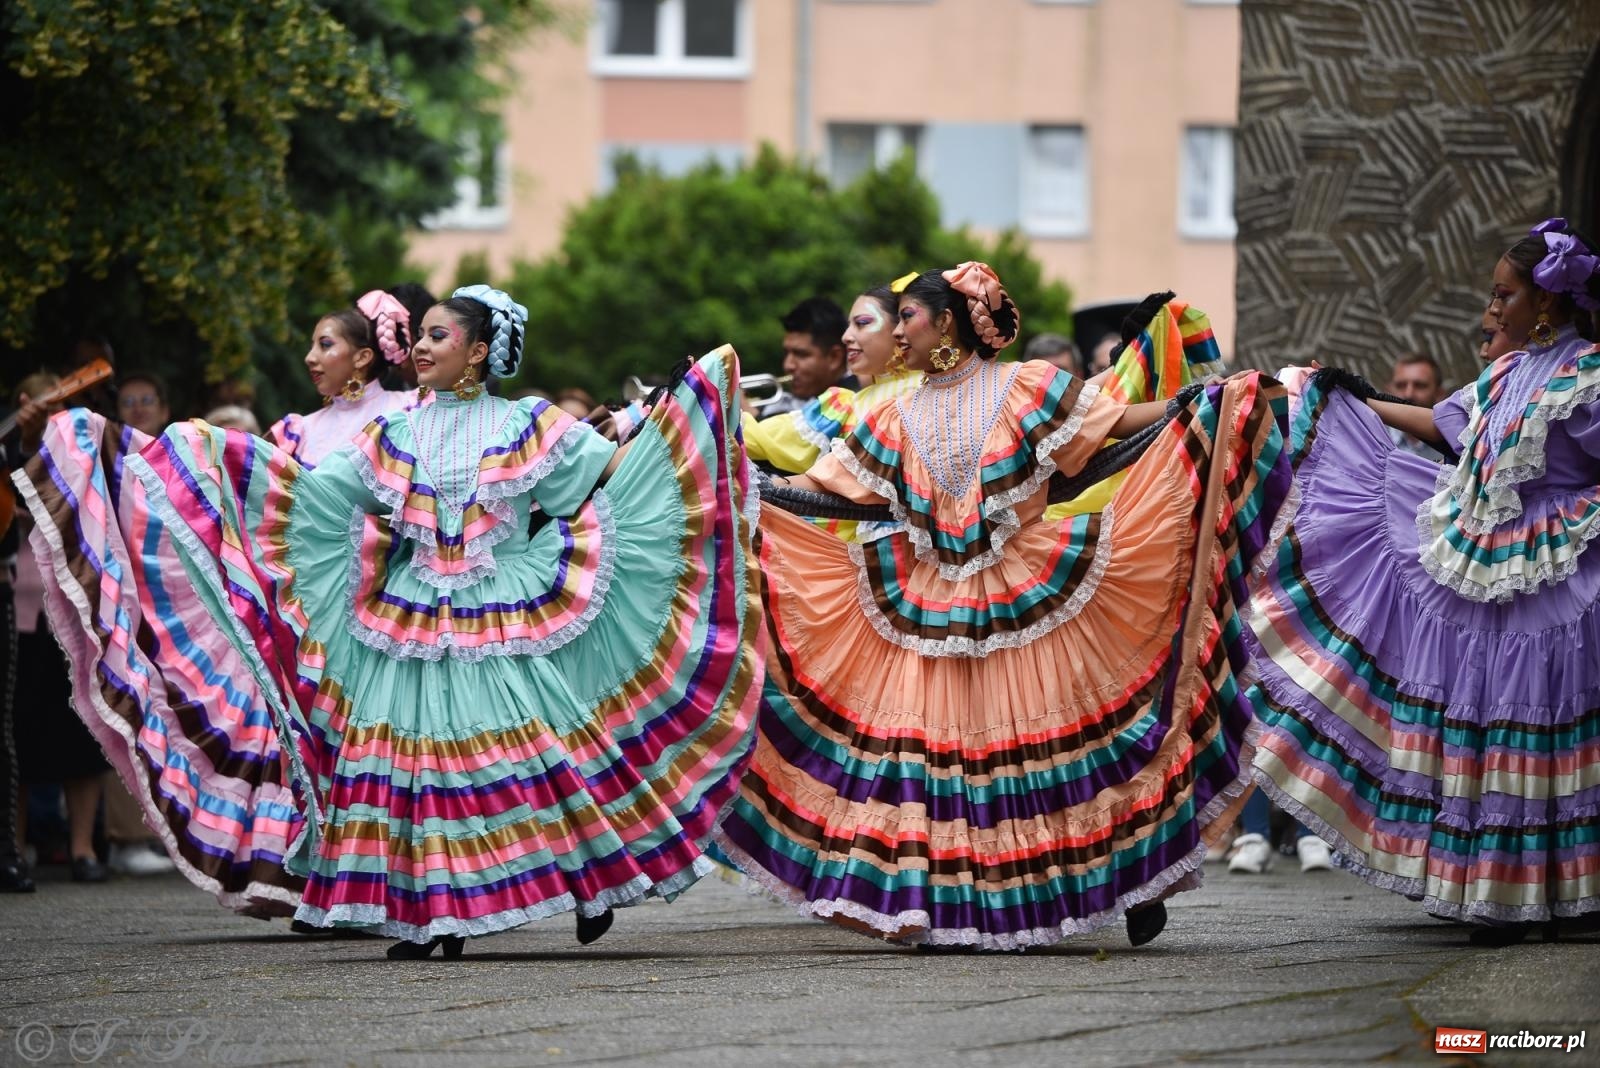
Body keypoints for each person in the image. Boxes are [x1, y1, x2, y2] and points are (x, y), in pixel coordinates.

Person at [13, 284, 761, 958]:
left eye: (438, 336)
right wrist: (202, 461)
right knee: (414, 764)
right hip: (411, 613)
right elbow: (313, 494)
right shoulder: (395, 432)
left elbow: (609, 477)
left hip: (504, 607)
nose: (422, 348)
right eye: (422, 335)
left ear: (477, 351)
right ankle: (436, 914)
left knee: (542, 752)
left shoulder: (529, 423)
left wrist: (671, 422)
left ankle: (592, 880)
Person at [716, 262, 1292, 950]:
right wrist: (742, 486)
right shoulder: (889, 414)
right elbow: (825, 486)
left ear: (946, 322)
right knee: (929, 767)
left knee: (1077, 751)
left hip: (1027, 593)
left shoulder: (1027, 386)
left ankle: (1133, 875)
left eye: (907, 316)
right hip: (930, 604)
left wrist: (1198, 404)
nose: (897, 331)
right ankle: (944, 904)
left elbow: (1111, 425)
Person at [1247, 219, 1600, 944]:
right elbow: (1446, 426)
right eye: (1494, 294)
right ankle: (1497, 894)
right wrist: (1356, 398)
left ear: (1546, 300)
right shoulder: (1505, 374)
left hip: (1563, 570)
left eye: (1504, 295)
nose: (1492, 308)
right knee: (1494, 719)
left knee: (1552, 717)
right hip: (1495, 566)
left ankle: (1575, 894)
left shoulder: (1589, 375)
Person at [743, 282, 922, 540]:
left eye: (862, 323)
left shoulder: (904, 400)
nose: (847, 336)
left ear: (900, 328)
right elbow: (763, 440)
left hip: (880, 550)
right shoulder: (857, 402)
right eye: (849, 325)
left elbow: (759, 440)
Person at [266, 291, 417, 468]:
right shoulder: (298, 433)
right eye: (312, 346)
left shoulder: (411, 409)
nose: (309, 358)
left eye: (325, 345)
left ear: (362, 358)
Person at [762, 296, 849, 418]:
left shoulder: (856, 401)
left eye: (801, 354)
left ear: (834, 357)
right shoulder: (787, 403)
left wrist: (754, 417)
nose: (788, 365)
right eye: (786, 353)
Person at [1384, 353, 1446, 456]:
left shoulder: (1454, 443)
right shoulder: (1372, 439)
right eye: (1400, 386)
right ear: (1388, 391)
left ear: (1439, 394)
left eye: (1420, 386)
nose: (1409, 394)